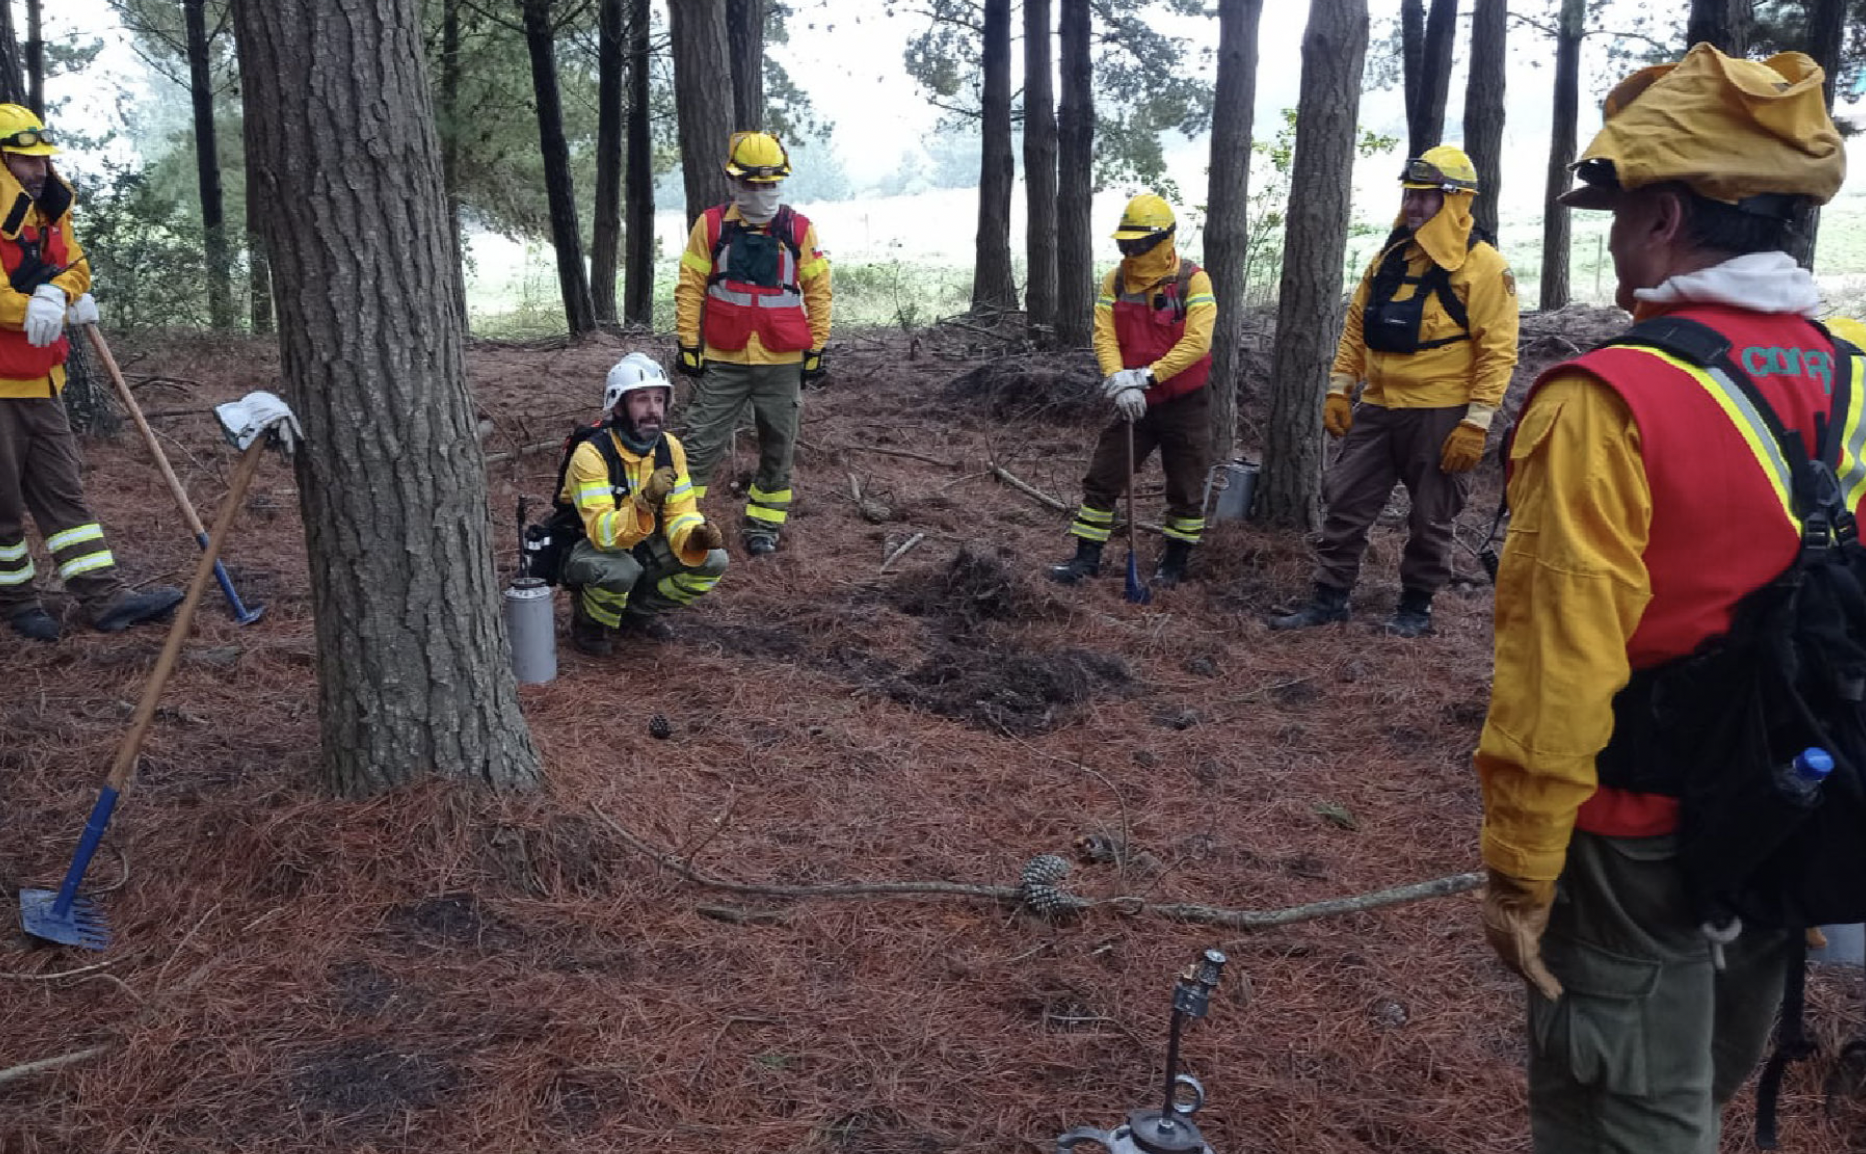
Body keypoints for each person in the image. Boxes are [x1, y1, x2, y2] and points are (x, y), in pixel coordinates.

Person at [1473, 45, 1849, 1152]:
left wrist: (1520, 866)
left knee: (1629, 1106)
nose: (1613, 232)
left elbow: (1558, 668)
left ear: (1667, 218)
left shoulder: (1608, 403)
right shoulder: (1858, 375)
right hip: (1793, 805)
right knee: (1711, 1066)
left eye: (1623, 207)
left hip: (1638, 833)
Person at [1271, 144, 1519, 637]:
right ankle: (1330, 598)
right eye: (1409, 194)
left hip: (1441, 413)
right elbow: (1356, 329)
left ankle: (1416, 608)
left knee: (1431, 517)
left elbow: (1499, 350)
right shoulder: (1388, 259)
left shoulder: (1485, 267)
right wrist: (1340, 390)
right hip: (1379, 407)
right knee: (1345, 501)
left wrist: (1476, 421)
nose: (1413, 205)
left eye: (1425, 197)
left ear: (1455, 200)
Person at [0, 103, 180, 642]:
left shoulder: (50, 208)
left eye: (41, 160)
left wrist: (59, 292)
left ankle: (104, 598)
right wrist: (28, 308)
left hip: (42, 380)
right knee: (3, 505)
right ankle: (18, 603)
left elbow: (77, 265)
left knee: (65, 496)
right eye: (24, 161)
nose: (38, 170)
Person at [673, 131, 832, 557]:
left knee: (779, 446)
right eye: (750, 185)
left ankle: (763, 526)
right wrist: (689, 342)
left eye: (768, 186)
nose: (759, 194)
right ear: (734, 183)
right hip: (724, 356)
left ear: (780, 184)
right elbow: (690, 286)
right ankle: (676, 521)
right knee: (700, 442)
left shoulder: (799, 229)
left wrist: (816, 347)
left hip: (782, 358)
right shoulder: (710, 226)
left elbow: (818, 291)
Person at [1049, 193, 1216, 588]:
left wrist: (1146, 377)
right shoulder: (1116, 280)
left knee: (1186, 489)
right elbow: (1104, 336)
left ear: (1162, 241)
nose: (1129, 251)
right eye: (1124, 243)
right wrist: (1118, 381)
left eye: (1137, 244)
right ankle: (1085, 560)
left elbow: (1197, 343)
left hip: (1184, 403)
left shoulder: (1193, 280)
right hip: (1132, 403)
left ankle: (1173, 566)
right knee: (1102, 478)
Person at [560, 353, 728, 655]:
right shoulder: (591, 454)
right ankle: (589, 623)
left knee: (713, 560)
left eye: (659, 400)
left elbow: (681, 512)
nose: (653, 411)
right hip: (590, 548)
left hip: (641, 543)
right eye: (641, 400)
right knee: (619, 570)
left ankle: (637, 611)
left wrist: (693, 536)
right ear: (620, 406)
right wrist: (645, 503)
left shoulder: (669, 448)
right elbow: (602, 533)